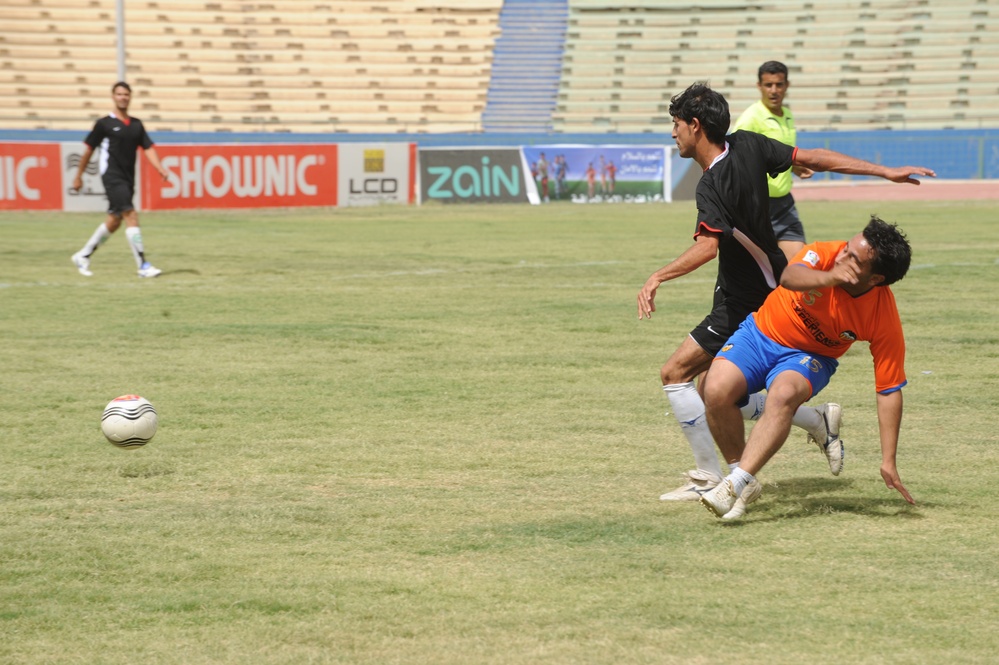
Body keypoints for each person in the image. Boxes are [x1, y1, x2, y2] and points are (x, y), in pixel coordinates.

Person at [637, 82, 934, 504]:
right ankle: (812, 423)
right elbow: (812, 157)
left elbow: (708, 244)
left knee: (677, 375)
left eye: (676, 124)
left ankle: (721, 479)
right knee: (713, 388)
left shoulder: (710, 187)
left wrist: (658, 277)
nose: (673, 133)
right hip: (740, 288)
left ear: (695, 126)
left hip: (751, 297)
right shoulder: (748, 144)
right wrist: (883, 171)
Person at [699, 216, 917, 520]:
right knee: (713, 389)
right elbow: (790, 276)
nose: (843, 255)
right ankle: (743, 475)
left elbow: (889, 389)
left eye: (853, 258)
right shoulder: (826, 253)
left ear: (875, 278)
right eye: (847, 247)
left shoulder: (883, 316)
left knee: (784, 394)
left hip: (809, 357)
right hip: (760, 334)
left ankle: (732, 486)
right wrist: (831, 277)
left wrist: (888, 460)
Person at [70, 81, 171, 278]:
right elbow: (89, 150)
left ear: (130, 97)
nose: (123, 97)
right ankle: (143, 265)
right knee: (131, 215)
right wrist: (78, 176)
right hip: (112, 176)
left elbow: (148, 147)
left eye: (126, 94)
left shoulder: (136, 125)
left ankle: (83, 255)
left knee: (114, 221)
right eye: (119, 94)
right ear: (113, 97)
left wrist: (159, 168)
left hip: (128, 178)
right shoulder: (104, 124)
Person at [732, 61, 813, 261]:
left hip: (784, 203)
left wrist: (793, 166)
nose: (774, 90)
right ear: (759, 86)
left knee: (798, 263)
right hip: (757, 205)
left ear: (787, 85)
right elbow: (733, 156)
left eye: (779, 84)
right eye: (768, 85)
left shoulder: (788, 116)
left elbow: (774, 154)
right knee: (760, 272)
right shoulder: (751, 118)